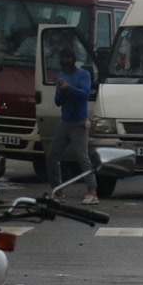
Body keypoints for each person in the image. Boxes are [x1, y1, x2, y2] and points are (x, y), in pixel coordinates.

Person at [46, 47, 99, 205]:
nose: (64, 62)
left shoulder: (83, 75)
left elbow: (84, 94)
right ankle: (57, 189)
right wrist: (61, 91)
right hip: (65, 121)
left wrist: (69, 88)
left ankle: (92, 191)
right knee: (52, 156)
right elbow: (57, 102)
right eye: (62, 59)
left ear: (73, 60)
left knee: (83, 157)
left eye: (67, 59)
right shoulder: (61, 76)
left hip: (79, 122)